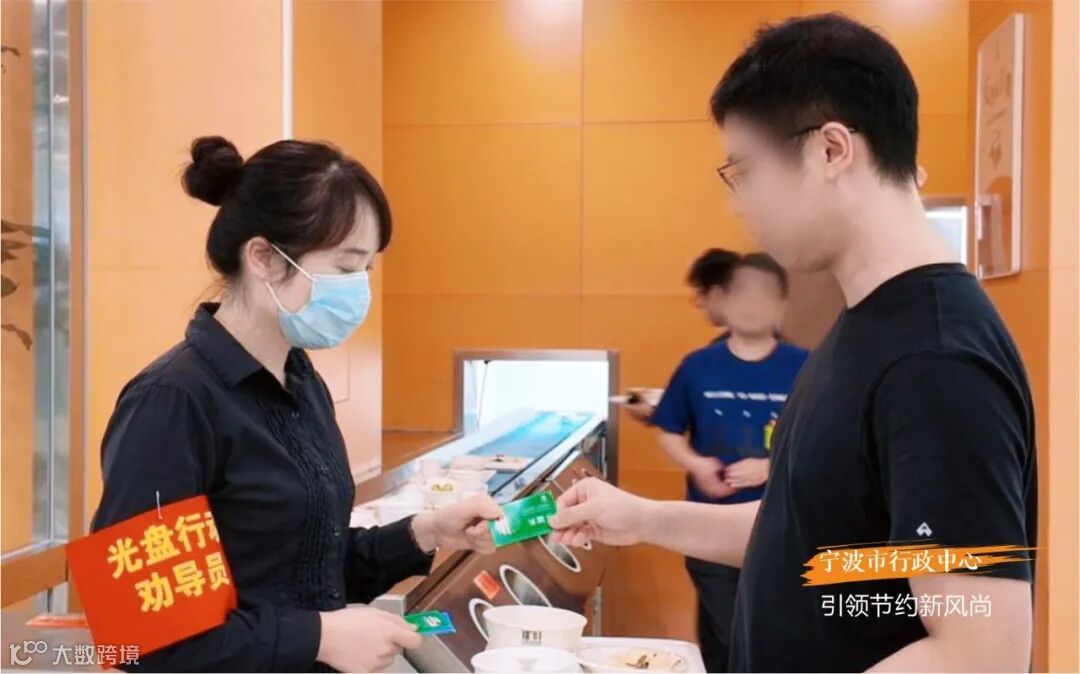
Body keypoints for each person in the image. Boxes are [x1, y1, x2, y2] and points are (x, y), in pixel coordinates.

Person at [551, 13, 1036, 673]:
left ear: (831, 150)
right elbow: (810, 532)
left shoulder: (934, 358)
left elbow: (980, 652)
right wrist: (645, 519)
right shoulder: (865, 323)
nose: (738, 203)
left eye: (746, 170)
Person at [91, 136, 503, 673]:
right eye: (344, 267)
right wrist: (317, 638)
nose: (359, 290)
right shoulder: (173, 402)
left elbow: (307, 567)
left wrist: (425, 533)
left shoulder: (301, 380)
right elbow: (141, 633)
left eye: (367, 269)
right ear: (263, 257)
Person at [650, 252, 808, 672]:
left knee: (772, 634)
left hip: (783, 530)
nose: (752, 303)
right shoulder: (698, 365)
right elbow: (667, 428)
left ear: (781, 304)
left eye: (764, 294)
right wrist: (696, 464)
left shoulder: (807, 367)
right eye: (742, 292)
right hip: (708, 527)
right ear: (725, 300)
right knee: (727, 632)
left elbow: (826, 442)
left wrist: (771, 467)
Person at [621, 248, 740, 423]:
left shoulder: (727, 350)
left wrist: (656, 414)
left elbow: (719, 414)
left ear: (716, 294)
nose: (699, 304)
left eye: (699, 293)